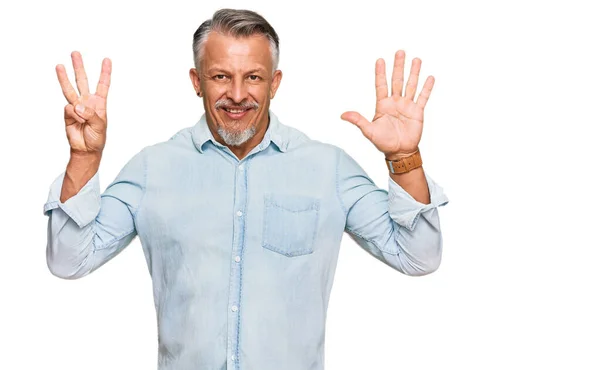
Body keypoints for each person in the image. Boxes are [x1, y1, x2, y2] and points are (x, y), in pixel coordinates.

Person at [43, 8, 448, 370]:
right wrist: (85, 158)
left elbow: (418, 256)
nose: (237, 95)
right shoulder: (153, 168)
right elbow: (68, 261)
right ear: (196, 81)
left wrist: (404, 157)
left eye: (252, 77)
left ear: (274, 83)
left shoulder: (329, 169)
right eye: (220, 76)